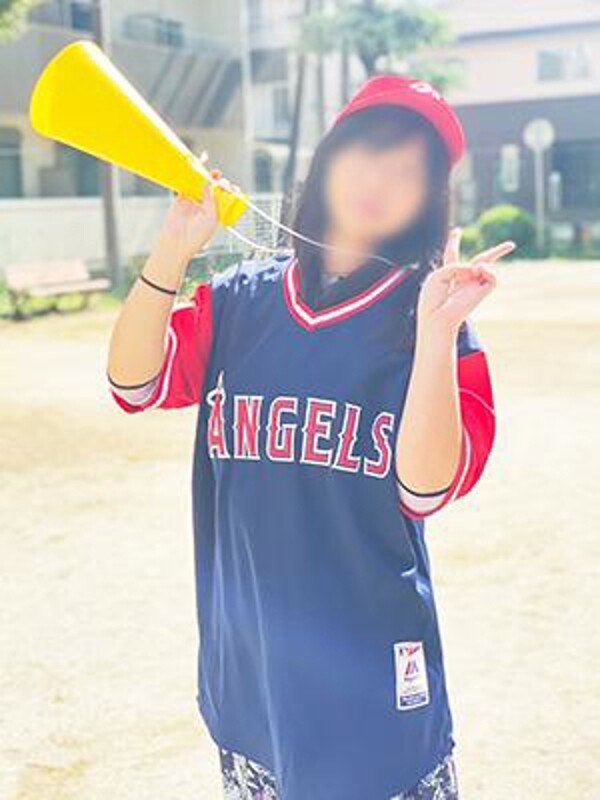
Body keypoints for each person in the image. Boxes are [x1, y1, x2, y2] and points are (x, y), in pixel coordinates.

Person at [107, 76, 514, 800]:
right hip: (250, 680)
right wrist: (172, 251)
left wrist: (435, 333)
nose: (381, 180)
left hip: (372, 692)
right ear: (329, 159)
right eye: (369, 151)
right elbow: (133, 383)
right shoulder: (241, 299)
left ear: (429, 201)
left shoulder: (432, 322)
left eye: (409, 171)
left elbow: (425, 489)